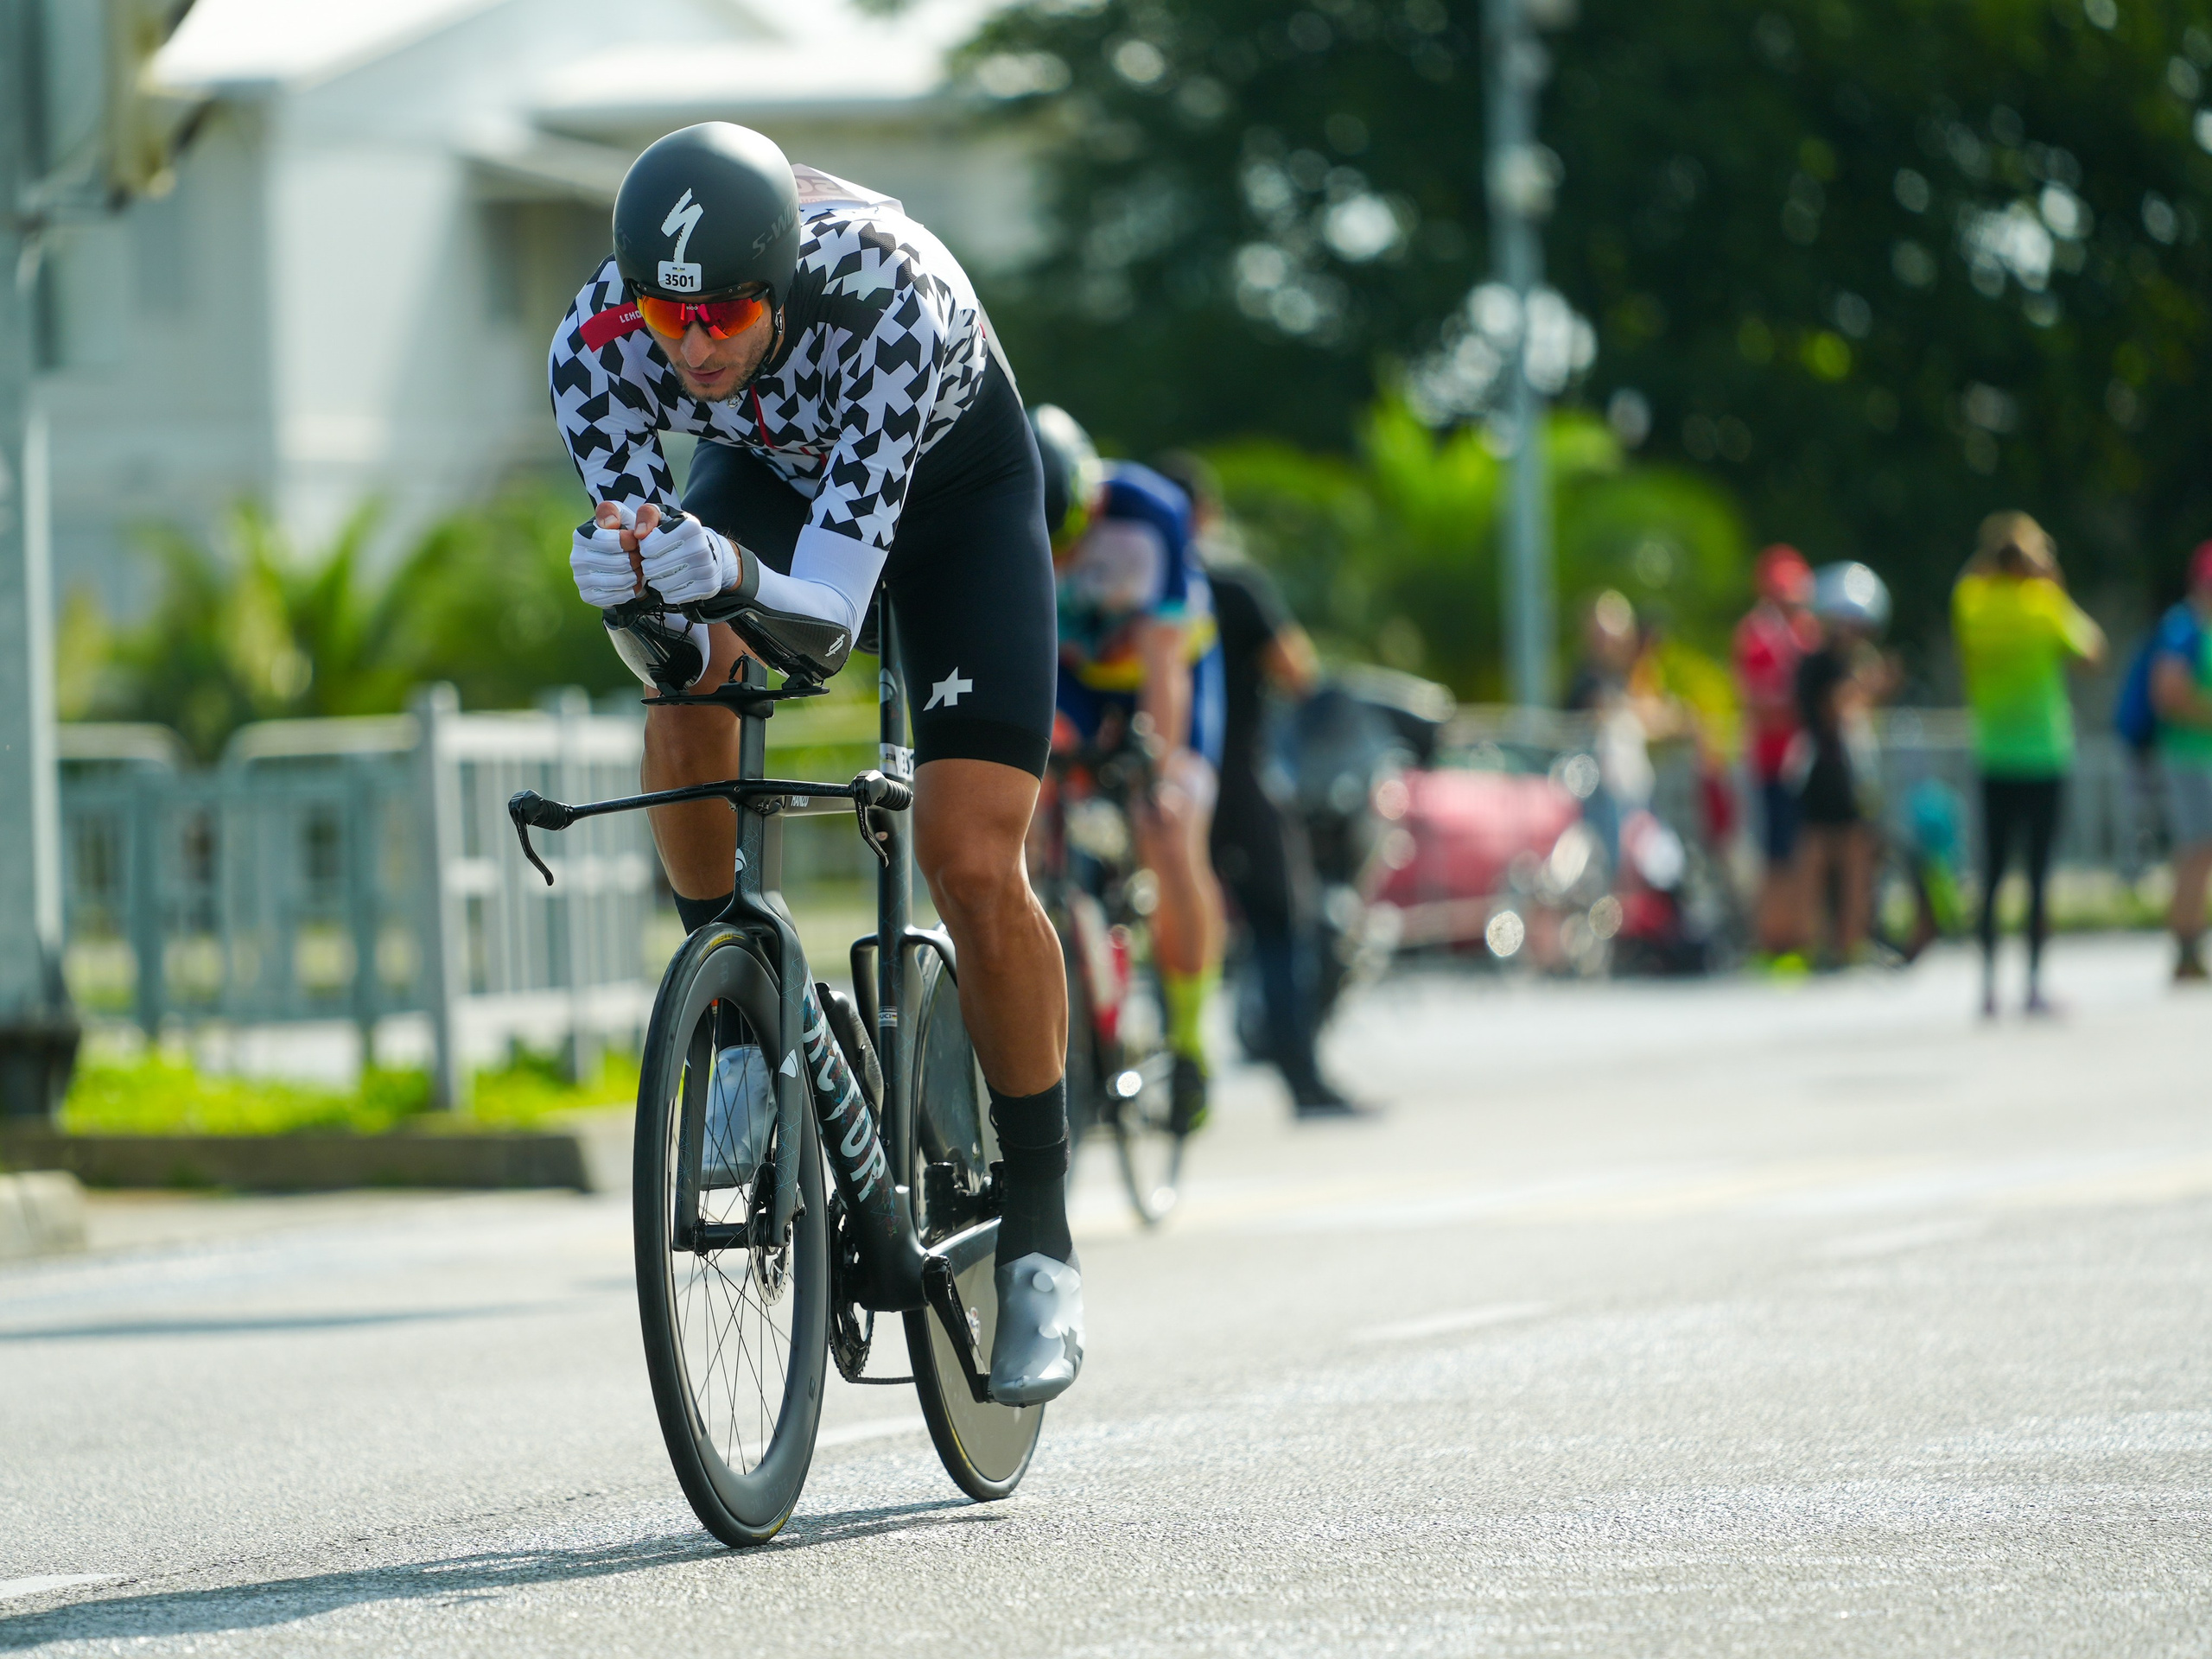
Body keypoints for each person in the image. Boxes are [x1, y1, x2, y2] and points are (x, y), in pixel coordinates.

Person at [549, 124, 1079, 1404]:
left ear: (780, 282)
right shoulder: (595, 345)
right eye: (668, 314)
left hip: (953, 496)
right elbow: (666, 621)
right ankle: (738, 1012)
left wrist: (725, 571)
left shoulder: (887, 298)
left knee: (969, 860)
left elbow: (828, 623)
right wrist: (639, 602)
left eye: (727, 312)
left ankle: (1043, 1235)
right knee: (689, 681)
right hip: (776, 472)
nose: (695, 347)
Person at [1030, 409, 1226, 1135]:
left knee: (1168, 828)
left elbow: (1165, 665)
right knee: (1021, 809)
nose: (1064, 559)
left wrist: (1162, 775)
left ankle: (1190, 1041)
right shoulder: (1006, 505)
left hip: (1163, 670)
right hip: (1078, 677)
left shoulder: (1149, 511)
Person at [1153, 451, 1363, 1117]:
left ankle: (1176, 1075)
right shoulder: (1233, 583)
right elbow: (1298, 672)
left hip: (1162, 779)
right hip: (1236, 781)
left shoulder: (1140, 582)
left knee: (1166, 921)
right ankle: (1302, 1079)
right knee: (1278, 923)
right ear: (1206, 513)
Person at [1951, 512, 2106, 1016]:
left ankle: (1988, 988)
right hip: (2043, 752)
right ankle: (2034, 983)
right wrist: (2053, 582)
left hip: (1993, 752)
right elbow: (2092, 651)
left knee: (1992, 874)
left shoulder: (1972, 603)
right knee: (2038, 876)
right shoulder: (2044, 604)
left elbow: (1967, 583)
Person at [1792, 563, 1895, 967]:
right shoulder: (1820, 664)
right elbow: (1830, 711)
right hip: (1823, 767)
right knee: (1822, 853)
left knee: (1857, 853)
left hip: (1849, 768)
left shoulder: (1849, 661)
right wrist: (1867, 685)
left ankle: (1851, 942)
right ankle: (1815, 942)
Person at [1732, 545, 1820, 956]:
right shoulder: (1757, 634)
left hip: (1805, 762)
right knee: (1775, 855)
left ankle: (1803, 936)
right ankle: (1773, 940)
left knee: (1806, 850)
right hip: (1771, 763)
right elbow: (1760, 702)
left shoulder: (1806, 632)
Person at [2150, 541, 2212, 982]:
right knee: (2196, 850)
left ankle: (2190, 946)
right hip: (2188, 757)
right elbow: (2168, 691)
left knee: (2200, 852)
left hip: (2200, 756)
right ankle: (2185, 947)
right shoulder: (2183, 626)